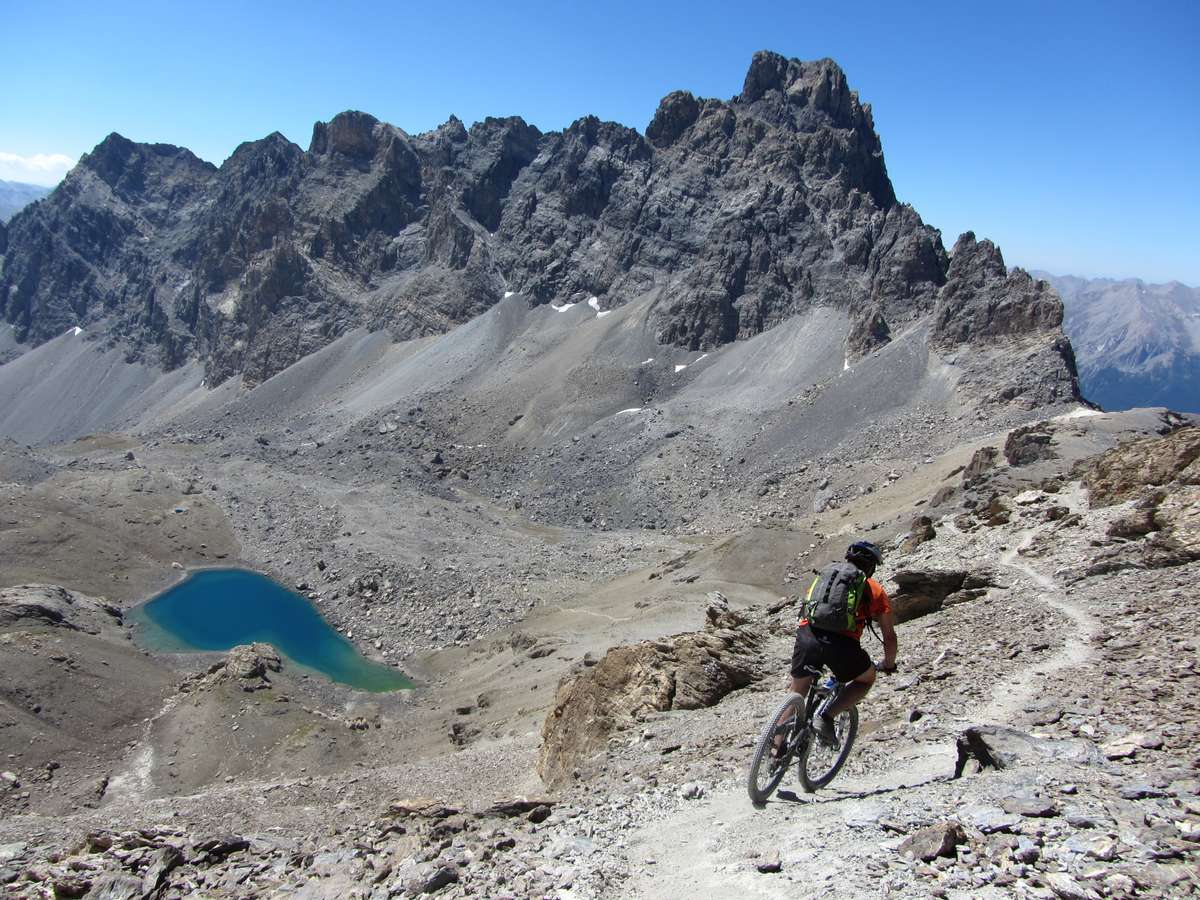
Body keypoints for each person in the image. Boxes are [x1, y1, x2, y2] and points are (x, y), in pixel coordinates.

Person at [788, 540, 897, 747]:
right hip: (841, 644)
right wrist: (889, 664)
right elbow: (889, 636)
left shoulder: (826, 576)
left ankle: (774, 751)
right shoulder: (874, 589)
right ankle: (826, 717)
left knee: (796, 691)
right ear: (871, 567)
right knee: (866, 679)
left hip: (807, 634)